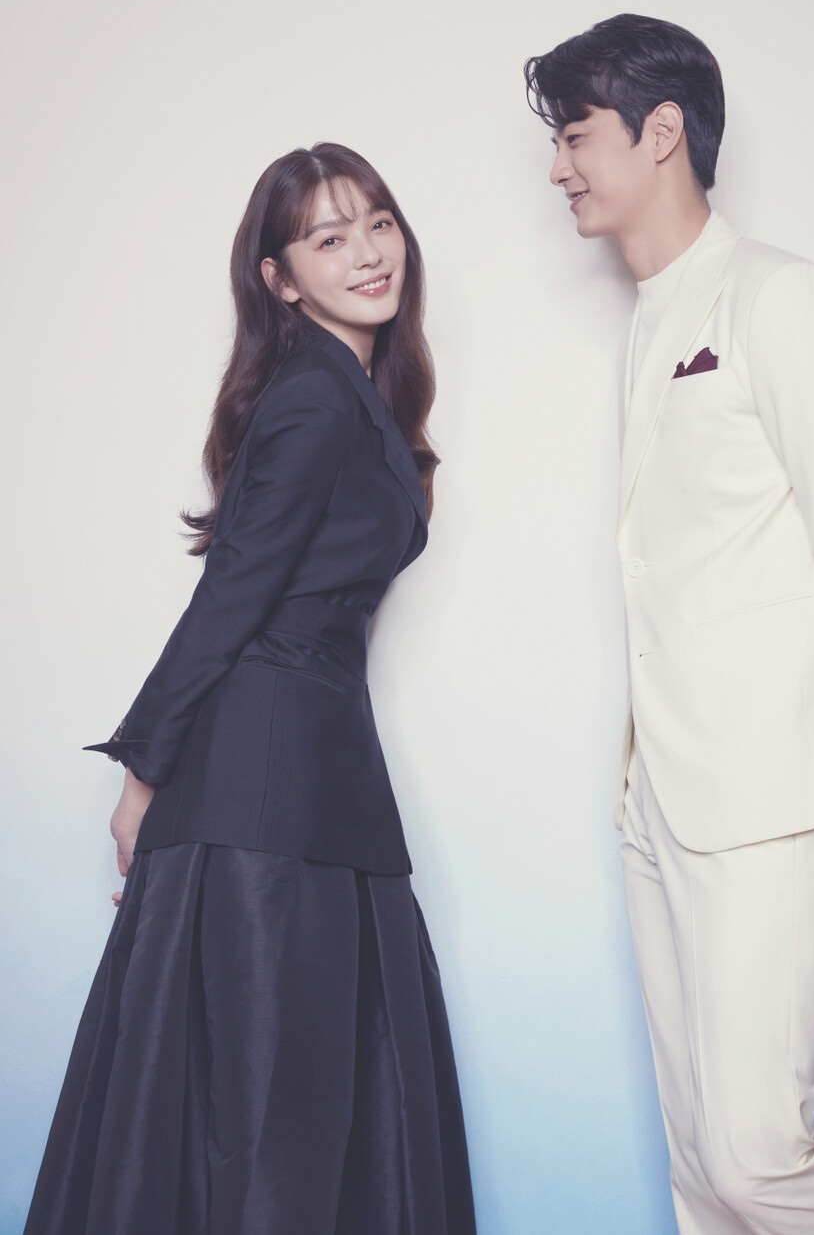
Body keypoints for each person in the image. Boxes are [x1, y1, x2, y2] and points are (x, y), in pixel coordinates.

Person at [25, 143, 477, 1235]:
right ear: (281, 279)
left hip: (311, 775)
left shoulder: (352, 397)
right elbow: (234, 594)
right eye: (329, 238)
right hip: (266, 788)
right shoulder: (315, 400)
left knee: (291, 1100)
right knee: (270, 1106)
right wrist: (145, 771)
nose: (367, 253)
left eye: (378, 222)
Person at [524, 15, 814, 1234]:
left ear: (660, 133)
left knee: (758, 1158)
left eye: (574, 136)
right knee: (702, 1169)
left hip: (773, 791)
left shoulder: (781, 299)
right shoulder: (652, 319)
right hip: (660, 796)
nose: (556, 167)